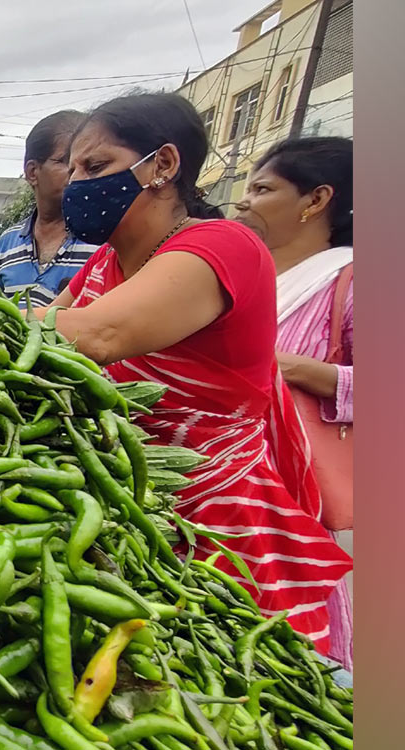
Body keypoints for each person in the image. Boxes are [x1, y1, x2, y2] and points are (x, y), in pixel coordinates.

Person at [41, 93, 351, 652]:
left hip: (216, 515)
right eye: (73, 170)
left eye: (97, 167)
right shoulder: (107, 261)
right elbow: (45, 320)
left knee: (238, 685)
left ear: (163, 165)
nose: (77, 185)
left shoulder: (222, 246)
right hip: (131, 499)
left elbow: (92, 336)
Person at [236, 136, 354, 670]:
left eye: (263, 189)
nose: (245, 202)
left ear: (316, 200)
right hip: (216, 481)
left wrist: (295, 368)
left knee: (291, 650)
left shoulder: (349, 280)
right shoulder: (241, 274)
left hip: (289, 494)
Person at [0, 111, 100, 308]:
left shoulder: (104, 240)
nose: (76, 173)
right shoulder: (8, 242)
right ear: (33, 172)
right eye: (65, 161)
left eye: (89, 163)